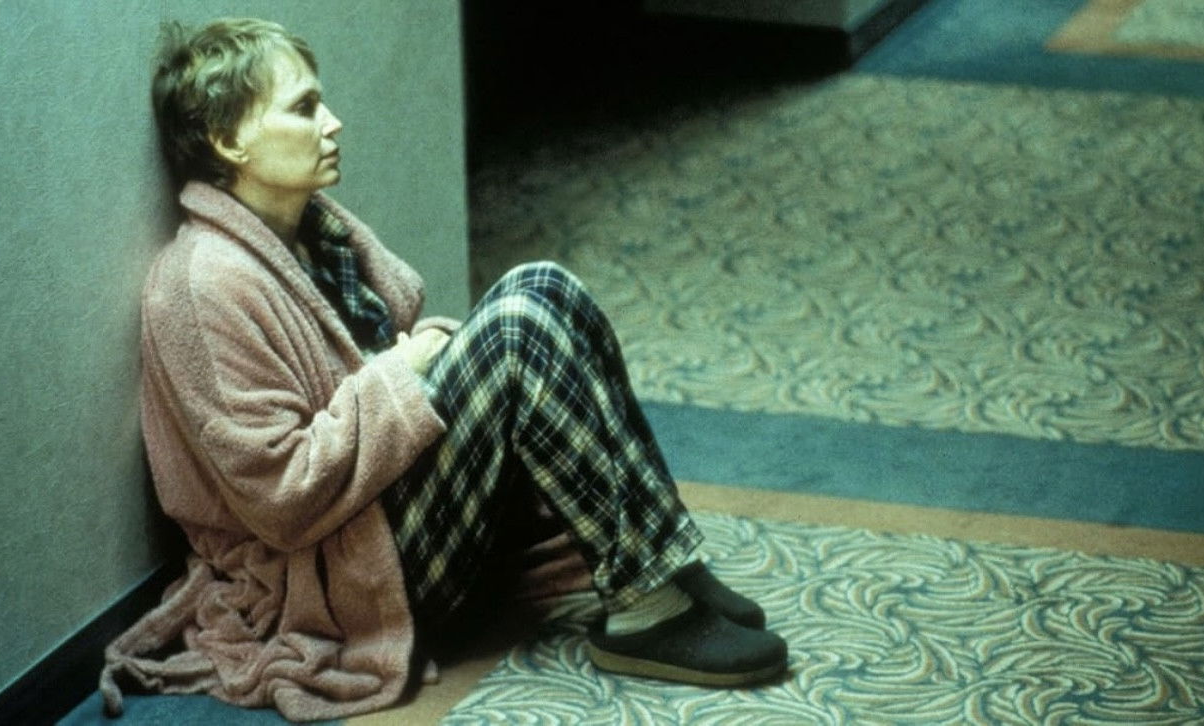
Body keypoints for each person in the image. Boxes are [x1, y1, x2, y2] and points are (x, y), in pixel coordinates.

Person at [100, 17, 786, 721]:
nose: (332, 122)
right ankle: (647, 608)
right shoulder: (202, 285)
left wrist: (416, 367)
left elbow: (380, 369)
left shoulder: (311, 235)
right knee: (515, 327)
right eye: (304, 108)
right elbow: (281, 498)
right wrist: (401, 372)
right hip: (330, 585)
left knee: (544, 287)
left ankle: (663, 562)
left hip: (382, 524)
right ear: (229, 140)